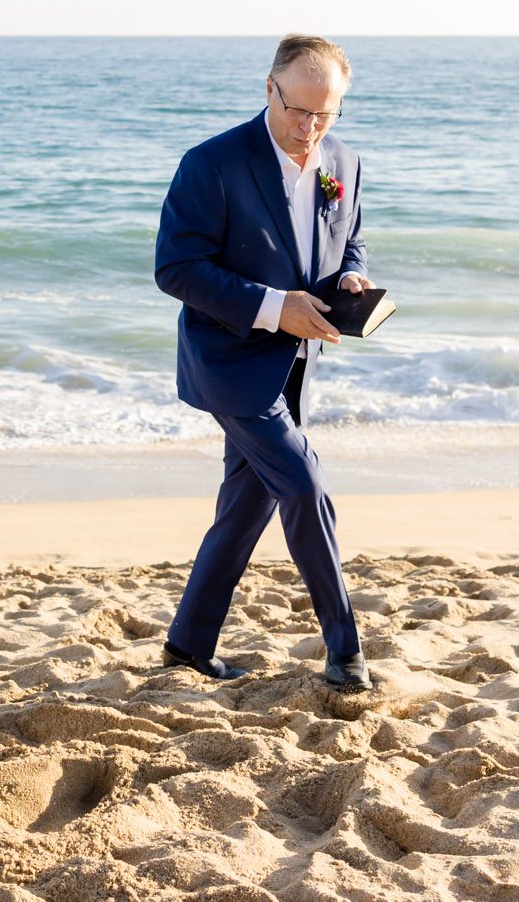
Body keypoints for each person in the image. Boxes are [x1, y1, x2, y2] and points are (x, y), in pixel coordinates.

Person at [154, 34, 376, 691]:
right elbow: (176, 268)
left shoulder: (345, 162)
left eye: (325, 114)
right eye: (298, 110)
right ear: (269, 89)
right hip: (227, 361)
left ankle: (188, 645)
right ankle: (344, 649)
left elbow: (351, 241)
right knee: (304, 485)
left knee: (245, 507)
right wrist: (274, 306)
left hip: (296, 361)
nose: (309, 128)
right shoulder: (212, 163)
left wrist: (354, 280)